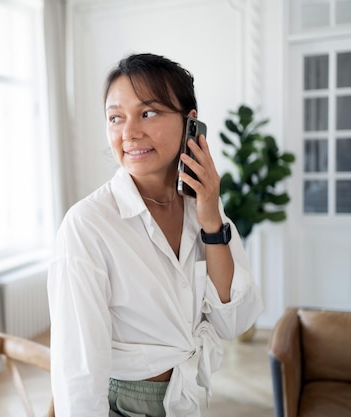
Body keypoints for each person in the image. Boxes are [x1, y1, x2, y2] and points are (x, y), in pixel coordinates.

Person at [47, 53, 263, 417]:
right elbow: (79, 372)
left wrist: (211, 220)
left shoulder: (204, 208)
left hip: (185, 397)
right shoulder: (88, 225)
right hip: (121, 405)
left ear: (190, 122)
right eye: (116, 117)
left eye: (148, 113)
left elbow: (233, 322)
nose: (129, 132)